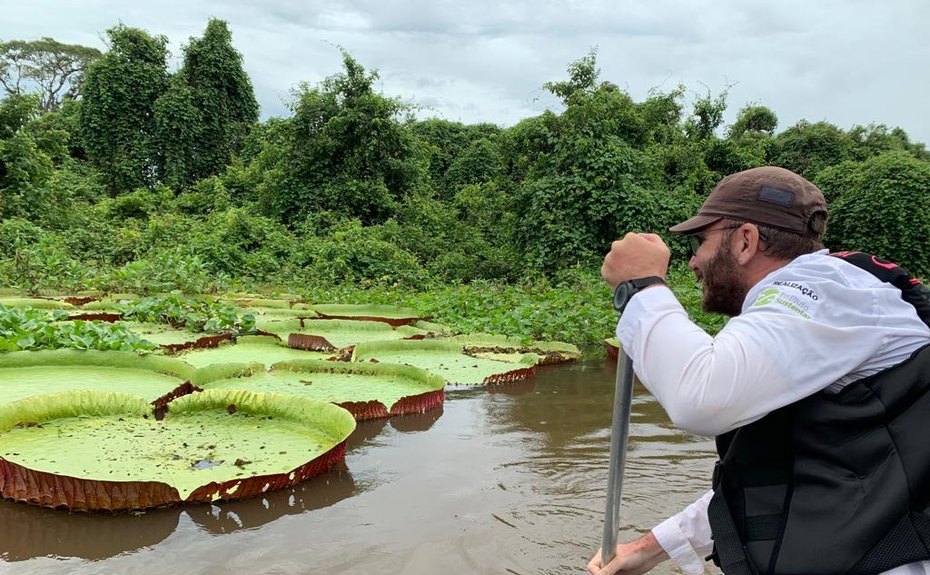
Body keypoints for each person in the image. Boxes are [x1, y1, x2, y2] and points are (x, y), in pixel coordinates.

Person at [588, 166, 930, 575]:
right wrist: (646, 549)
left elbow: (701, 399)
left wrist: (641, 286)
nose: (694, 261)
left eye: (701, 242)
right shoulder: (814, 309)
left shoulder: (821, 287)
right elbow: (766, 475)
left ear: (746, 241)